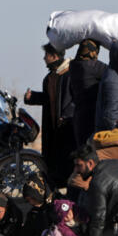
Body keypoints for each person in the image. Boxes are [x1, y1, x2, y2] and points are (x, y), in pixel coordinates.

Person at [25, 43, 75, 189]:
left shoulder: (71, 75)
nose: (44, 58)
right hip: (52, 130)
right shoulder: (50, 77)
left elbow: (76, 100)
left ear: (54, 56)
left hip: (66, 129)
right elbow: (49, 100)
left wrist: (67, 116)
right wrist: (32, 97)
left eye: (46, 55)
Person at [68, 40, 108, 147]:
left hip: (79, 116)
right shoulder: (92, 66)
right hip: (93, 116)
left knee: (82, 149)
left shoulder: (73, 65)